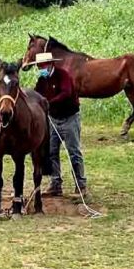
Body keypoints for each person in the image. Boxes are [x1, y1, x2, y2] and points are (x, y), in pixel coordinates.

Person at [29, 52, 89, 199]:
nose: (40, 68)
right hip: (53, 119)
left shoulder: (63, 75)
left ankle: (80, 185)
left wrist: (48, 102)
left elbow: (66, 93)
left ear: (50, 64)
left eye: (42, 65)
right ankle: (56, 185)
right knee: (51, 152)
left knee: (74, 152)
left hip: (69, 118)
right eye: (38, 66)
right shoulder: (42, 80)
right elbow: (37, 95)